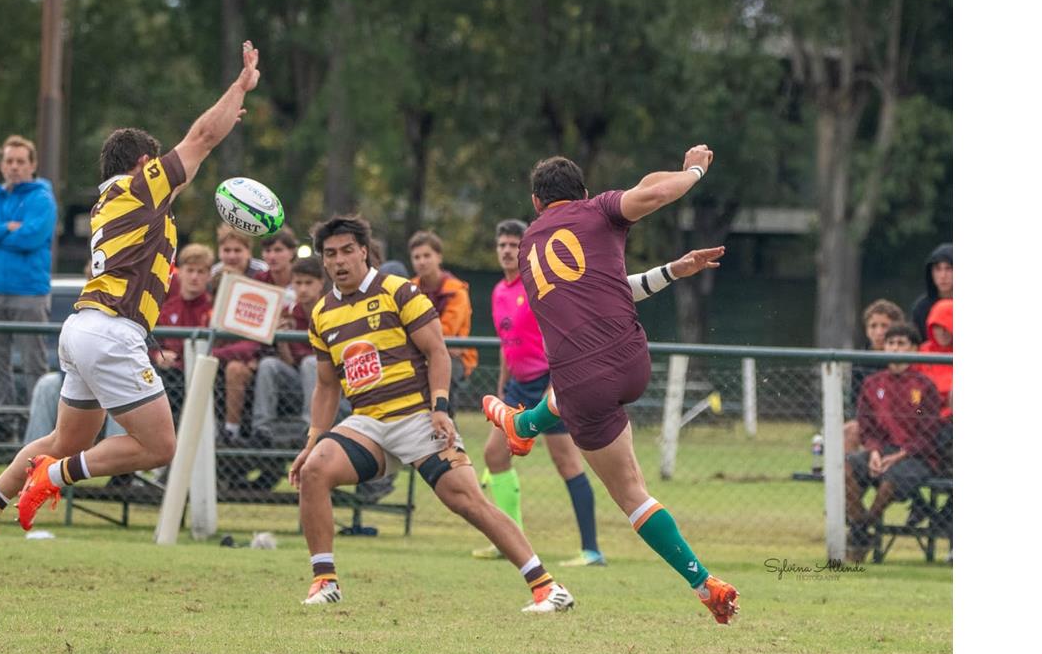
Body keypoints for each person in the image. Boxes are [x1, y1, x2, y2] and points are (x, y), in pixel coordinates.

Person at [0, 40, 261, 571]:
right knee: (160, 445)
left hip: (83, 328)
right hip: (111, 331)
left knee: (66, 437)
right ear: (144, 161)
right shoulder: (141, 187)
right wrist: (240, 87)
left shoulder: (111, 200)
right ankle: (53, 477)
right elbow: (203, 137)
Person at [482, 149, 740, 624]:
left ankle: (704, 584)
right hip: (632, 363)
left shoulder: (525, 248)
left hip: (582, 382)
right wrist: (695, 171)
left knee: (632, 496)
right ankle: (525, 422)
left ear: (537, 204)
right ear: (581, 194)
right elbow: (655, 195)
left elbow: (594, 284)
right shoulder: (598, 208)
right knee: (578, 391)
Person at [287, 215, 575, 612]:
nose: (339, 261)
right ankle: (324, 581)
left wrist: (439, 407)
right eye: (330, 254)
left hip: (417, 416)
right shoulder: (321, 313)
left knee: (467, 501)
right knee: (313, 471)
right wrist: (313, 440)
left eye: (347, 251)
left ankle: (547, 586)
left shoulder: (398, 291)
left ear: (364, 252)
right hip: (367, 423)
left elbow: (437, 351)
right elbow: (326, 384)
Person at [476, 219, 724, 566]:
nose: (505, 250)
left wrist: (557, 387)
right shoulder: (500, 291)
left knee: (569, 464)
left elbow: (565, 333)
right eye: (500, 244)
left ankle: (590, 548)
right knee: (494, 455)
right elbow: (507, 345)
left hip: (554, 382)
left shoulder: (546, 283)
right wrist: (504, 384)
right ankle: (510, 537)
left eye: (512, 244)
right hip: (519, 385)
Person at [0, 135, 58, 426]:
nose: (14, 167)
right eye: (9, 161)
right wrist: (6, 227)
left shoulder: (42, 198)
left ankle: (38, 424)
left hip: (29, 292)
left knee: (34, 363)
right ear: (1, 164)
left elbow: (32, 237)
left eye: (20, 161)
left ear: (32, 165)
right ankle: (4, 421)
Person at [844, 323, 944, 562]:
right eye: (891, 343)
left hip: (916, 457)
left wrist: (901, 454)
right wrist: (875, 451)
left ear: (914, 349)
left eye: (901, 343)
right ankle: (862, 528)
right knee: (845, 468)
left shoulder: (924, 386)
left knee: (891, 481)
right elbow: (866, 426)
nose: (895, 348)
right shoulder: (872, 384)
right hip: (881, 452)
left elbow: (929, 433)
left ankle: (860, 529)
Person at [252, 255, 325, 447]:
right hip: (297, 381)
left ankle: (309, 429)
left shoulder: (331, 311)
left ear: (320, 284)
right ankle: (262, 429)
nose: (302, 289)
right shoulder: (289, 312)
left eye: (308, 283)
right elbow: (290, 362)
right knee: (269, 364)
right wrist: (282, 339)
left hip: (327, 386)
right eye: (298, 283)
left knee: (311, 363)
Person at [210, 223, 269, 444]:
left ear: (248, 251)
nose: (232, 256)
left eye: (238, 250)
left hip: (252, 349)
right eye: (227, 250)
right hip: (224, 345)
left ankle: (231, 431)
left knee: (235, 369)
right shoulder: (214, 274)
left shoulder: (262, 274)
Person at [150, 243, 216, 420]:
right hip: (171, 376)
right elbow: (149, 343)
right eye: (190, 270)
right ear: (180, 272)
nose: (194, 277)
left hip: (206, 377)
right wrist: (158, 355)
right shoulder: (165, 309)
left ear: (209, 276)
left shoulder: (214, 309)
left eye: (201, 272)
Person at [408, 231, 479, 381]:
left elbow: (446, 331)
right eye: (416, 257)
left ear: (439, 257)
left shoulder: (456, 291)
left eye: (427, 256)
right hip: (419, 354)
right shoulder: (408, 289)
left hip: (455, 359)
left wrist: (415, 335)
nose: (421, 261)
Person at [844, 299, 908, 453]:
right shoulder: (859, 360)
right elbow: (856, 399)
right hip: (869, 420)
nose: (879, 332)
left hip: (902, 422)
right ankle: (847, 473)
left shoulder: (907, 359)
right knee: (848, 431)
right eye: (873, 326)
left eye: (884, 326)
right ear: (866, 329)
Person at [917, 298, 953, 418]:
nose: (942, 332)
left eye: (947, 327)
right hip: (923, 415)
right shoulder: (922, 351)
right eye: (937, 327)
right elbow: (913, 389)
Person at [909, 243, 952, 341]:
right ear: (931, 272)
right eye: (938, 269)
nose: (943, 275)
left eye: (948, 268)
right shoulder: (921, 308)